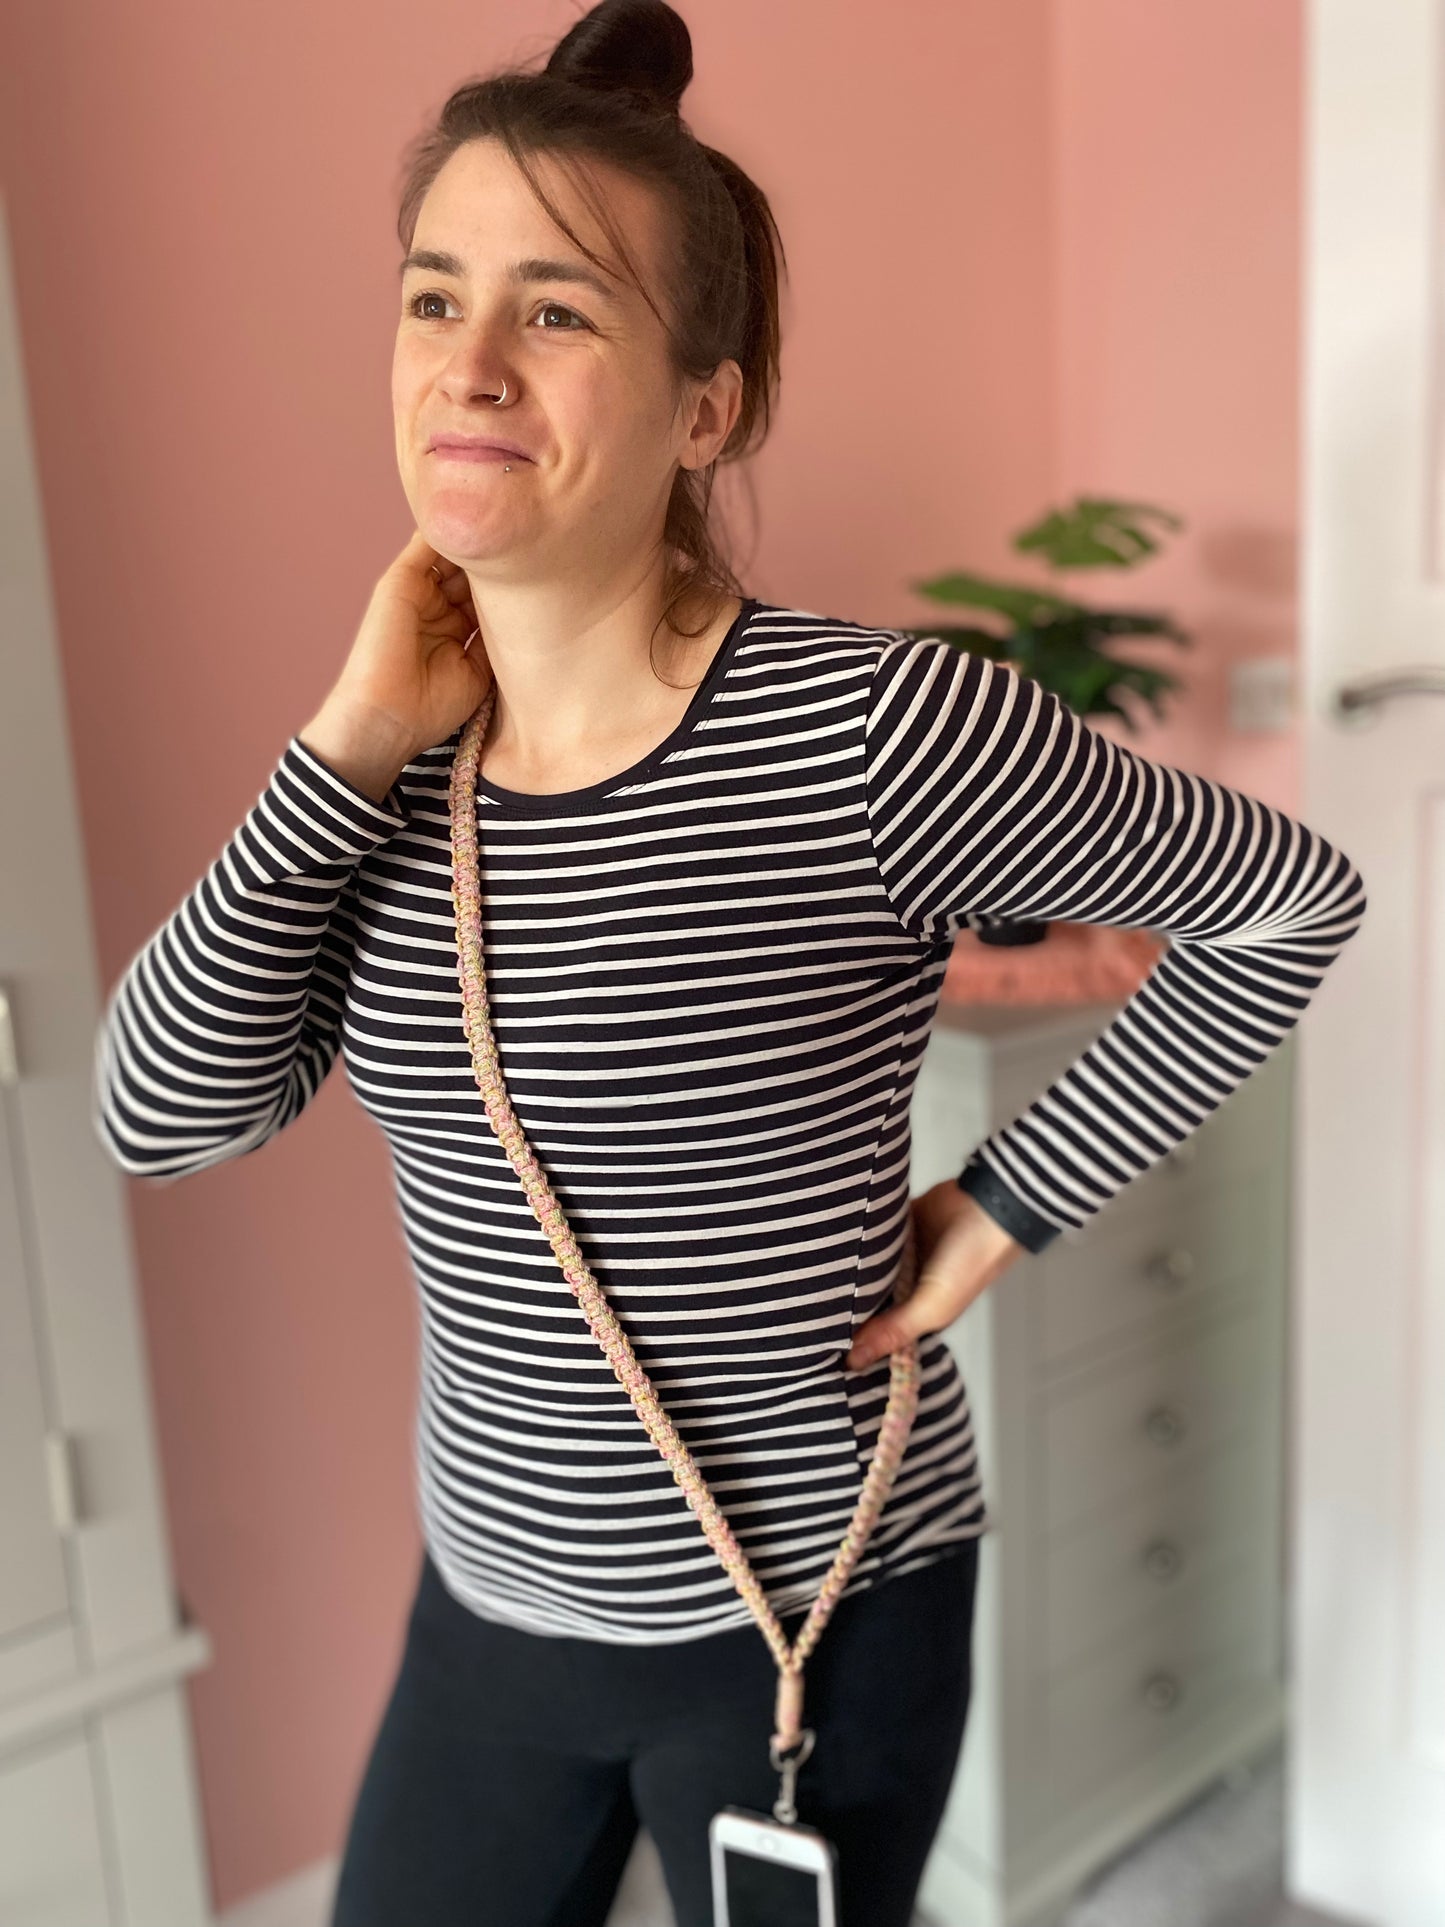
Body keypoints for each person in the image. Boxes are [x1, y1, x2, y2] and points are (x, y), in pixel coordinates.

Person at [90, 3, 1368, 1923]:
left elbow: (1286, 899)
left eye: (560, 311)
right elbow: (155, 1117)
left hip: (813, 1627)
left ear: (707, 407)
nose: (471, 367)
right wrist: (347, 738)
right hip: (492, 1610)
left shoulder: (866, 729)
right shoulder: (389, 768)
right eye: (435, 301)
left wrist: (1008, 1202)